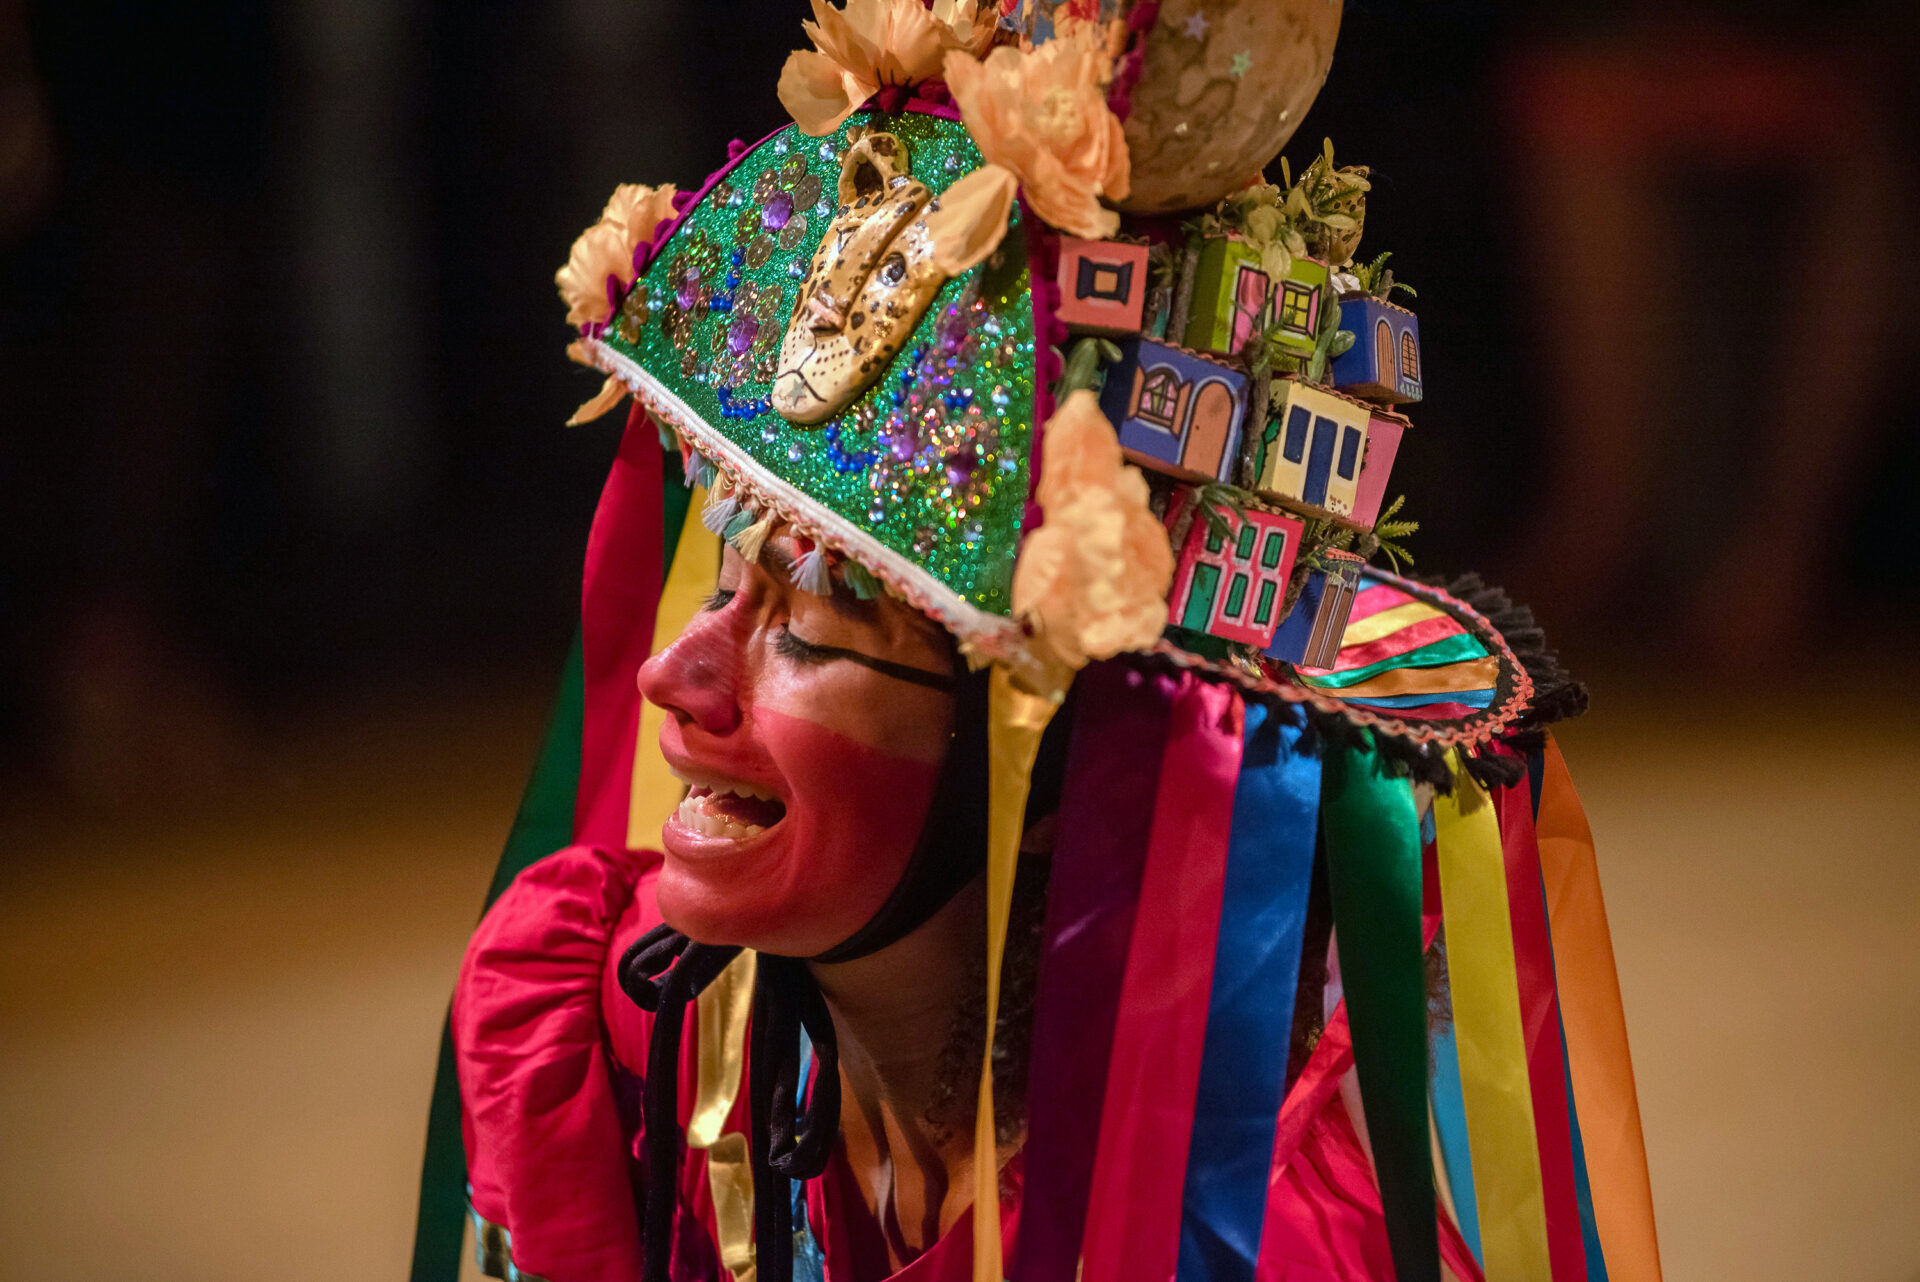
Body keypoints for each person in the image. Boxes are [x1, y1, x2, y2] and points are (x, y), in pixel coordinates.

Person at [413, 5, 1664, 1282]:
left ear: (1064, 774)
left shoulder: (1244, 1251)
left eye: (811, 629)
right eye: (724, 585)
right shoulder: (649, 1035)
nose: (671, 676)